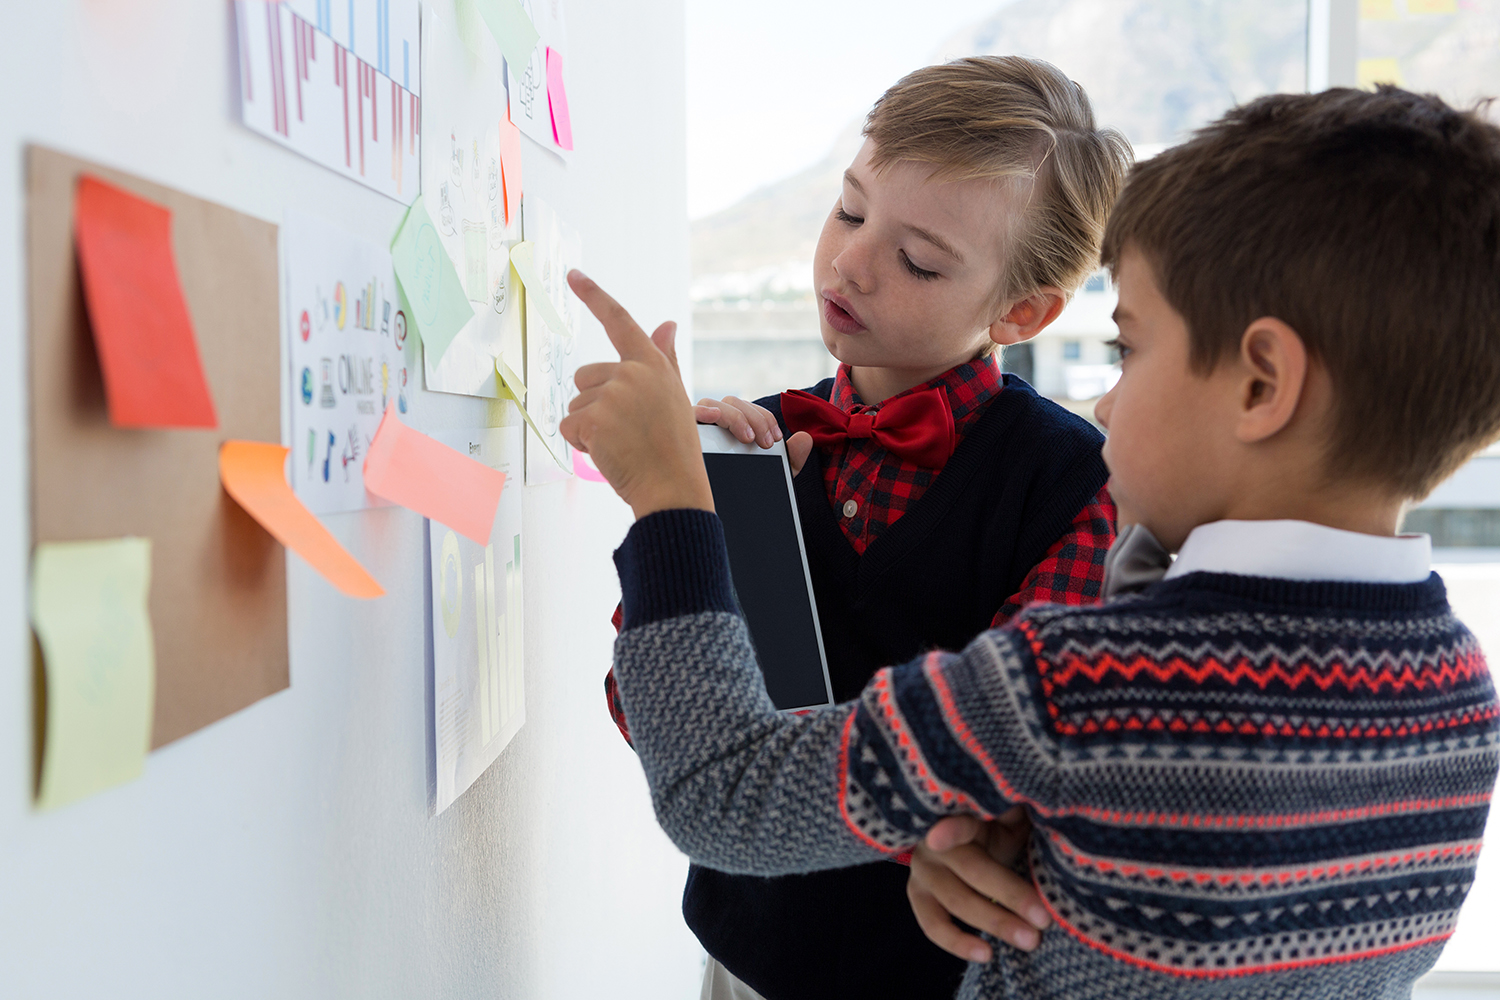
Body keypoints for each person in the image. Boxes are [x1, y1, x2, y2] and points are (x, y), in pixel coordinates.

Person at [561, 84, 1500, 1000]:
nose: (1102, 397)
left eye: (1128, 351)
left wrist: (669, 508)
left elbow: (725, 792)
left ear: (1262, 384)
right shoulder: (1465, 699)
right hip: (754, 942)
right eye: (848, 211)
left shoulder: (1079, 677)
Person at [596, 55, 1132, 1000]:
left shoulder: (1075, 483)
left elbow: (1023, 777)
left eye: (919, 260)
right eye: (849, 210)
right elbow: (656, 720)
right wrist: (693, 527)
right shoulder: (755, 445)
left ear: (1024, 310)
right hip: (744, 954)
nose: (849, 263)